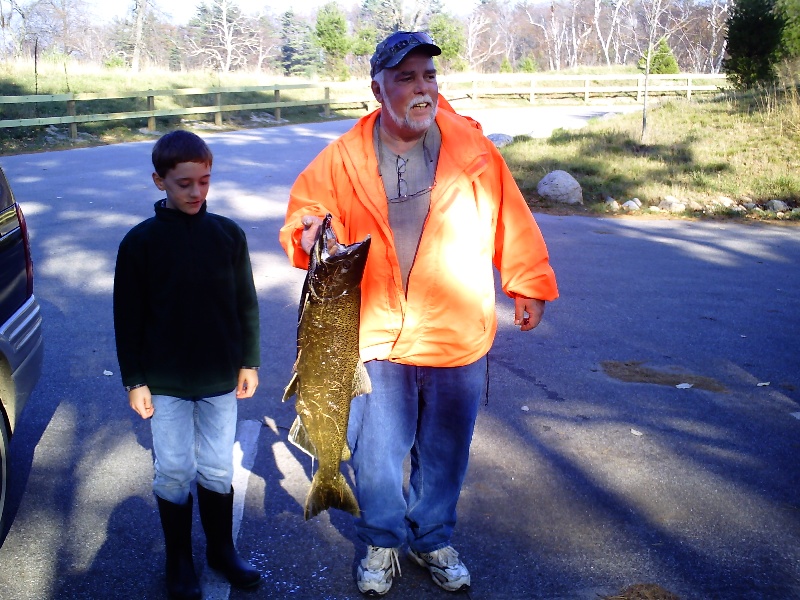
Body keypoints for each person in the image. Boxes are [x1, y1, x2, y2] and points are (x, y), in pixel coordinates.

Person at [279, 31, 558, 596]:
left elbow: (513, 219)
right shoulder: (343, 157)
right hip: (379, 334)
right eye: (405, 77)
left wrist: (527, 283)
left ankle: (432, 538)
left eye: (428, 76)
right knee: (379, 453)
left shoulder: (473, 149)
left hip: (456, 332)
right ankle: (382, 541)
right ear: (377, 88)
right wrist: (306, 232)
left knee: (445, 451)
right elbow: (305, 213)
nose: (421, 88)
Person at [114, 130, 262, 600]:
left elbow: (247, 304)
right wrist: (135, 380)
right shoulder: (140, 243)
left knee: (218, 468)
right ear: (159, 181)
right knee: (174, 469)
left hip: (220, 378)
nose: (197, 192)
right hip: (166, 382)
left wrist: (249, 362)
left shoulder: (228, 235)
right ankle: (179, 560)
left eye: (205, 181)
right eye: (184, 184)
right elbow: (127, 318)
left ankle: (221, 550)